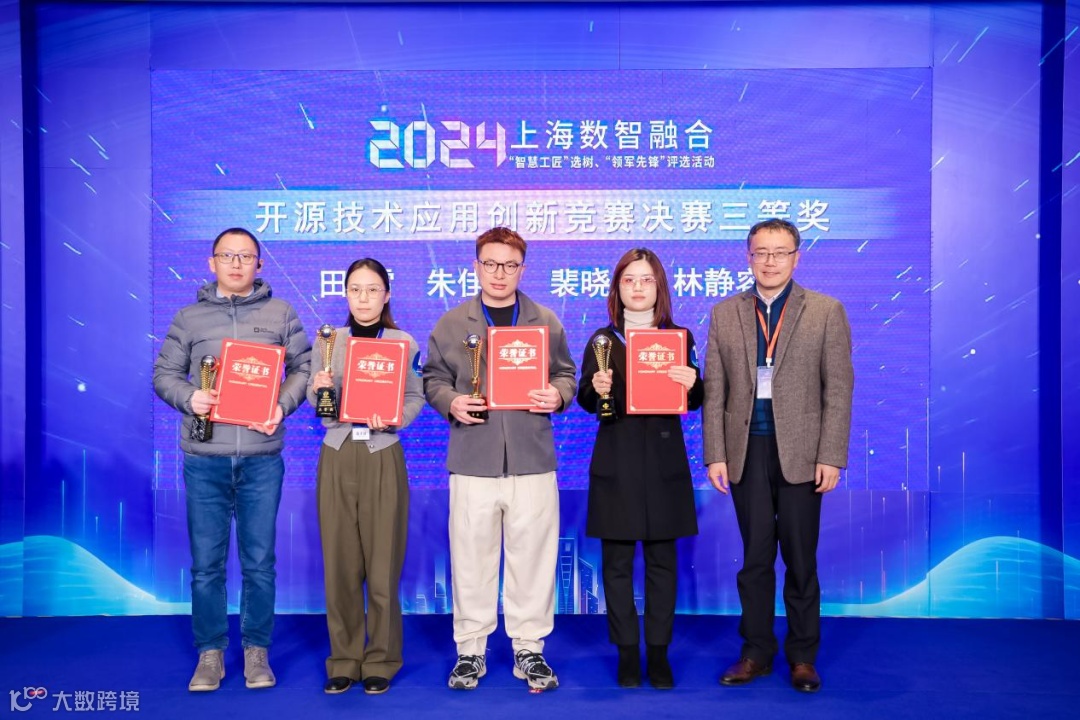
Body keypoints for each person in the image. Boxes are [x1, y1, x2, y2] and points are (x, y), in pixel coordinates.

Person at [153, 227, 311, 692]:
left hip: (262, 458)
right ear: (212, 263)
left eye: (246, 256)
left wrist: (281, 405)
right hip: (205, 458)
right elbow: (164, 374)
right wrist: (190, 397)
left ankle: (257, 651)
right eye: (227, 255)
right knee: (207, 564)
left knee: (260, 562)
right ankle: (210, 653)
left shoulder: (281, 313)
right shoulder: (189, 317)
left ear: (260, 264)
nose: (237, 264)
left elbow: (304, 368)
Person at [702, 218, 853, 693]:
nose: (770, 261)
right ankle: (756, 652)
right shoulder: (725, 312)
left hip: (803, 453)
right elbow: (715, 390)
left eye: (780, 252)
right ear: (748, 257)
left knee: (801, 558)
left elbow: (838, 389)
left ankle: (803, 656)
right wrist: (715, 454)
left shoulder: (825, 311)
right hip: (746, 450)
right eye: (761, 252)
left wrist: (831, 455)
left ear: (796, 257)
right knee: (755, 559)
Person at [423, 227, 577, 692]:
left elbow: (566, 373)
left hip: (532, 458)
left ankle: (529, 648)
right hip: (473, 457)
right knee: (471, 559)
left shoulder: (545, 320)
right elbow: (432, 378)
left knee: (534, 559)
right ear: (476, 266)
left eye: (510, 265)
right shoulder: (453, 323)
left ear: (522, 269)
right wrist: (450, 401)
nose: (499, 273)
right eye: (490, 264)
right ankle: (470, 650)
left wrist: (558, 394)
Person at [576, 248, 703, 690]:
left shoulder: (678, 337)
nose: (637, 287)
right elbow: (585, 399)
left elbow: (697, 397)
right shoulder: (603, 340)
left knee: (662, 563)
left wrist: (694, 383)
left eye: (646, 279)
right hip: (616, 460)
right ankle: (627, 652)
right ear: (617, 287)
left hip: (665, 463)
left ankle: (660, 653)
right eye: (629, 279)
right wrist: (596, 387)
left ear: (659, 287)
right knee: (616, 565)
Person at [307, 258, 424, 696]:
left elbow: (415, 396)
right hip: (338, 451)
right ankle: (343, 659)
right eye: (355, 289)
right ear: (345, 293)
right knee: (339, 564)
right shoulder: (328, 341)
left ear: (386, 295)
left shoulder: (402, 342)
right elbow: (314, 400)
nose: (364, 298)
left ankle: (381, 659)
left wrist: (394, 418)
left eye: (373, 289)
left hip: (382, 452)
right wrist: (318, 388)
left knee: (382, 563)